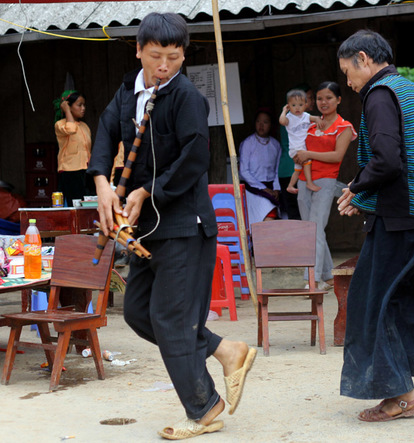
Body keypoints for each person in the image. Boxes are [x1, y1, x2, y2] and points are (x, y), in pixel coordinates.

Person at [87, 12, 256, 440]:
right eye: (156, 56)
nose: (164, 66)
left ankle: (204, 407)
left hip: (184, 222)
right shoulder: (129, 91)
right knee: (139, 312)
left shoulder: (186, 97)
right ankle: (224, 348)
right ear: (139, 49)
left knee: (171, 318)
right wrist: (103, 183)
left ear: (183, 55)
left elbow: (195, 159)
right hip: (148, 229)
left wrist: (149, 192)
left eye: (174, 57)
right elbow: (106, 131)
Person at [336, 29, 414, 422]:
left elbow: (388, 161)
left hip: (399, 225)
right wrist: (365, 199)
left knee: (369, 306)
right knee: (402, 303)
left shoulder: (378, 94)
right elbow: (408, 163)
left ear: (363, 58)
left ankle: (402, 397)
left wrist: (356, 187)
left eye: (347, 71)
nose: (348, 81)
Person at [293, 81, 356, 291]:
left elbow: (337, 156)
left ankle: (312, 279)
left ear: (338, 100)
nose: (324, 102)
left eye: (329, 98)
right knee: (312, 231)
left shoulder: (344, 127)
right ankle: (328, 275)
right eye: (319, 98)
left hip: (326, 181)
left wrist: (309, 154)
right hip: (304, 180)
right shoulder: (310, 123)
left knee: (315, 230)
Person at [239, 108, 282, 226]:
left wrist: (276, 189)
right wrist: (262, 188)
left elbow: (278, 169)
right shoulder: (248, 143)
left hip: (271, 188)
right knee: (267, 215)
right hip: (252, 188)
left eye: (265, 122)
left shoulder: (275, 145)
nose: (261, 125)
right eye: (258, 121)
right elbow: (243, 171)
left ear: (271, 125)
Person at [278, 85, 313, 220]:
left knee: (296, 216)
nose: (312, 101)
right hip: (296, 167)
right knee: (303, 215)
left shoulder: (296, 118)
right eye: (309, 98)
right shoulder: (295, 119)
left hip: (286, 170)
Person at [279, 89, 324, 194]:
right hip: (296, 148)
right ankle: (309, 182)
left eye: (300, 104)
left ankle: (290, 186)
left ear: (305, 105)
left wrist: (318, 120)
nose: (297, 108)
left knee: (298, 169)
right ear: (288, 106)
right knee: (307, 162)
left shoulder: (306, 116)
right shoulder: (289, 118)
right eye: (293, 105)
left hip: (303, 147)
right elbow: (282, 121)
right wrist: (284, 111)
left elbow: (316, 118)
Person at [54, 90, 92, 207]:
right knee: (74, 205)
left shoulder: (85, 126)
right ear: (68, 107)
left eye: (84, 105)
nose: (83, 108)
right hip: (70, 172)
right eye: (79, 105)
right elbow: (70, 129)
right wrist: (66, 110)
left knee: (87, 204)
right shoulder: (60, 124)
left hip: (85, 170)